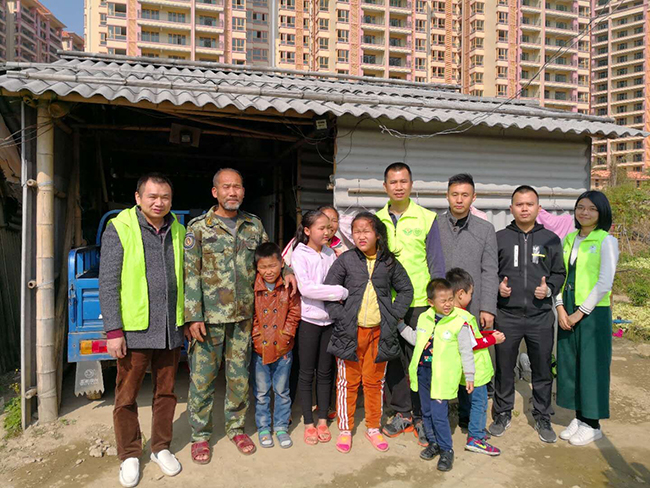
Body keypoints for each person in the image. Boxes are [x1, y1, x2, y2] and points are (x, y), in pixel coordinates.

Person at [184, 168, 296, 462]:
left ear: (243, 192)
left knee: (239, 379)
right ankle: (200, 435)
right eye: (226, 187)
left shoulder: (253, 225)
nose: (232, 192)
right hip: (208, 320)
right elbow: (190, 274)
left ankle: (236, 428)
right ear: (215, 192)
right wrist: (193, 316)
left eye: (237, 187)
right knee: (202, 380)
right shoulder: (199, 228)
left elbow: (270, 257)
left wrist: (288, 271)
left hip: (245, 317)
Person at [99, 173, 184, 488]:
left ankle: (161, 447)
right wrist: (113, 330)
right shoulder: (119, 228)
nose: (159, 202)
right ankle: (130, 454)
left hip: (170, 327)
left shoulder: (179, 230)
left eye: (165, 197)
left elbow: (186, 277)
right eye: (152, 196)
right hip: (134, 328)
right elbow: (108, 282)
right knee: (126, 395)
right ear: (138, 198)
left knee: (167, 392)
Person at [324, 212, 413, 454]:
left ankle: (373, 427)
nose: (361, 236)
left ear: (377, 234)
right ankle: (345, 428)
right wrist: (340, 316)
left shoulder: (389, 262)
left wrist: (393, 315)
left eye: (366, 231)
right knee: (347, 382)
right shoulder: (346, 260)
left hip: (379, 334)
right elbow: (329, 290)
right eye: (356, 231)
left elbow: (406, 290)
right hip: (349, 333)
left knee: (374, 383)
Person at [489, 185, 566, 443]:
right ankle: (502, 413)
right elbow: (489, 271)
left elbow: (559, 273)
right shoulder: (499, 238)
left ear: (538, 208)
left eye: (529, 204)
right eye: (519, 204)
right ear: (511, 208)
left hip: (540, 316)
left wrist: (549, 288)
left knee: (542, 369)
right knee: (504, 368)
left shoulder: (551, 239)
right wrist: (498, 286)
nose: (524, 209)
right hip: (506, 315)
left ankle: (543, 415)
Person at [376, 162, 446, 445]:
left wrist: (436, 301)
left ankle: (422, 416)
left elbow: (436, 262)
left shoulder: (427, 218)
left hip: (419, 302)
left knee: (420, 360)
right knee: (393, 359)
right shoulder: (377, 220)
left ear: (411, 184)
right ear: (385, 187)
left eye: (403, 181)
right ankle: (402, 412)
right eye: (393, 182)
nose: (398, 187)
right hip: (388, 302)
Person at [555, 191, 619, 446]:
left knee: (592, 366)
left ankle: (593, 424)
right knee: (571, 364)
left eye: (592, 208)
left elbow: (604, 283)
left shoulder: (606, 241)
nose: (585, 212)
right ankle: (580, 417)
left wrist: (579, 313)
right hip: (568, 308)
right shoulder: (570, 239)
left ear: (602, 213)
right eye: (580, 207)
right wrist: (560, 307)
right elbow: (559, 275)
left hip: (593, 312)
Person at [399, 279, 476, 472]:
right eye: (443, 300)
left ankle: (446, 449)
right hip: (423, 373)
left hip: (443, 376)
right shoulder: (424, 318)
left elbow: (466, 351)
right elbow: (417, 339)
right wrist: (400, 326)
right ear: (431, 302)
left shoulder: (459, 322)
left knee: (439, 414)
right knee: (426, 411)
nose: (448, 304)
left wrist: (469, 375)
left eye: (450, 299)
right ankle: (433, 442)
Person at [291, 209, 349, 445]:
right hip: (309, 321)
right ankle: (308, 422)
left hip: (329, 321)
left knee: (326, 372)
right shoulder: (299, 253)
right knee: (307, 373)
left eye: (328, 228)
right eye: (321, 228)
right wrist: (339, 292)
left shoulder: (330, 254)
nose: (327, 232)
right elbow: (306, 289)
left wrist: (337, 291)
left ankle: (323, 419)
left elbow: (336, 280)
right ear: (307, 230)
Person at [446, 268, 505, 456]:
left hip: (463, 371)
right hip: (477, 370)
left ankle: (465, 420)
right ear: (460, 294)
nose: (472, 297)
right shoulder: (465, 318)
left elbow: (473, 336)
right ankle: (476, 437)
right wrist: (493, 339)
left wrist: (488, 333)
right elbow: (473, 344)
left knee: (465, 396)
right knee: (480, 403)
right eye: (470, 293)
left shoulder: (449, 315)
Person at [251, 242, 301, 449]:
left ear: (281, 264)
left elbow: (294, 312)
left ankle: (281, 426)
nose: (268, 271)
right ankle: (263, 427)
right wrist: (256, 336)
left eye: (272, 266)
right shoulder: (254, 287)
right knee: (262, 392)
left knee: (282, 391)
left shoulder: (288, 285)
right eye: (263, 267)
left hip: (283, 348)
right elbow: (252, 316)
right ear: (257, 268)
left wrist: (285, 336)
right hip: (260, 349)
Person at [282, 205, 348, 266]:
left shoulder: (341, 248)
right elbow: (283, 264)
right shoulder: (298, 243)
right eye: (325, 219)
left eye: (334, 221)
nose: (330, 225)